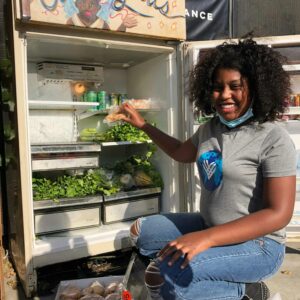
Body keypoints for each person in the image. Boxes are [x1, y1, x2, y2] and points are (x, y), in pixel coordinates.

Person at [119, 37, 297, 300]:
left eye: (235, 86)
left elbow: (278, 214)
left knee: (169, 276)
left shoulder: (273, 138)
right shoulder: (210, 128)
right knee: (141, 232)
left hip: (259, 245)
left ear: (256, 88)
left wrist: (206, 239)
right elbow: (181, 153)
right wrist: (144, 125)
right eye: (217, 87)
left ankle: (248, 292)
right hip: (209, 224)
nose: (225, 95)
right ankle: (218, 282)